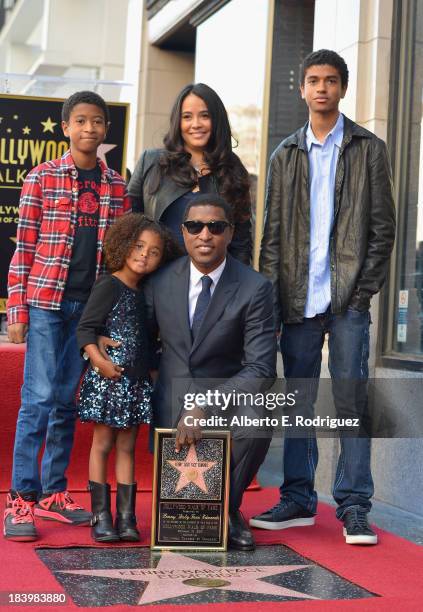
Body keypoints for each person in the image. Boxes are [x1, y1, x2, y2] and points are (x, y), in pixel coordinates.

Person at [251, 49, 396, 545]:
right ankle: (297, 498)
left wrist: (360, 295)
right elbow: (271, 240)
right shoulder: (284, 156)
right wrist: (271, 304)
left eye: (330, 81)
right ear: (302, 88)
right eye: (313, 80)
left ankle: (355, 506)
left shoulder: (368, 149)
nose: (321, 89)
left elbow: (383, 231)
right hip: (296, 301)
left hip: (348, 302)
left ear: (342, 88)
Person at [4, 91, 130, 542]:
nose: (89, 129)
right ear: (66, 127)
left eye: (97, 122)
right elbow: (23, 249)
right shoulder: (41, 177)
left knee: (64, 400)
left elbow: (118, 257)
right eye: (81, 121)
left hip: (88, 310)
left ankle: (56, 492)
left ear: (105, 130)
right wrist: (16, 309)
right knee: (37, 397)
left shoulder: (117, 186)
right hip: (45, 303)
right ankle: (20, 499)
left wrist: (113, 315)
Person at [144, 194, 276, 551]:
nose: (205, 234)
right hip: (170, 398)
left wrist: (205, 403)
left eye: (215, 227)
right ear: (183, 233)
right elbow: (143, 342)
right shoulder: (159, 281)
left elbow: (262, 367)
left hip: (224, 398)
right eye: (194, 226)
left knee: (258, 419)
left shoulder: (255, 288)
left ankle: (225, 511)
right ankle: (204, 512)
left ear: (230, 233)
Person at [77, 214, 181, 543]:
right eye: (139, 247)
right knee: (103, 445)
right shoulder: (109, 284)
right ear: (123, 245)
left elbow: (150, 343)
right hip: (108, 382)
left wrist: (151, 379)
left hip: (135, 386)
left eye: (154, 252)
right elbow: (85, 329)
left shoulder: (148, 294)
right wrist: (98, 360)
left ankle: (126, 517)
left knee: (127, 448)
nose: (144, 255)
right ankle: (100, 515)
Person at [128, 83, 252, 264]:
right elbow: (128, 225)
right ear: (177, 122)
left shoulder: (233, 169)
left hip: (213, 285)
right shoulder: (152, 162)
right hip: (156, 280)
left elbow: (241, 244)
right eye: (187, 117)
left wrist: (237, 289)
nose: (196, 124)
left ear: (217, 120)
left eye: (205, 116)